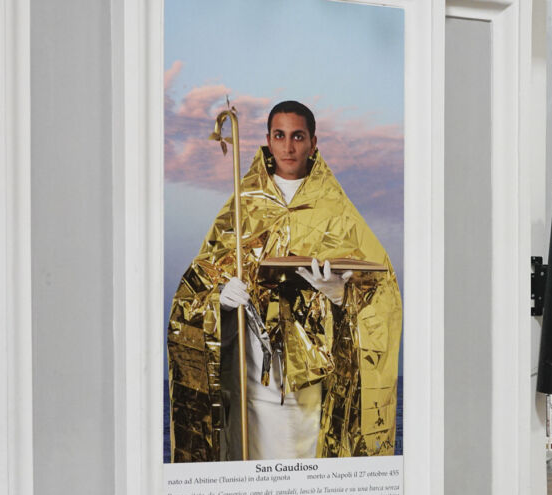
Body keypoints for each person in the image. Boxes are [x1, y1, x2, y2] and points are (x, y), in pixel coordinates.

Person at [167, 100, 402, 462]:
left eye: (297, 136)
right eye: (280, 136)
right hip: (255, 379)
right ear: (268, 140)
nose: (288, 146)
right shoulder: (244, 205)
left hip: (312, 384)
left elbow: (381, 290)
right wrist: (220, 300)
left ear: (313, 142)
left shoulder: (335, 211)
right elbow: (198, 284)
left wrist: (342, 296)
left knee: (306, 473)